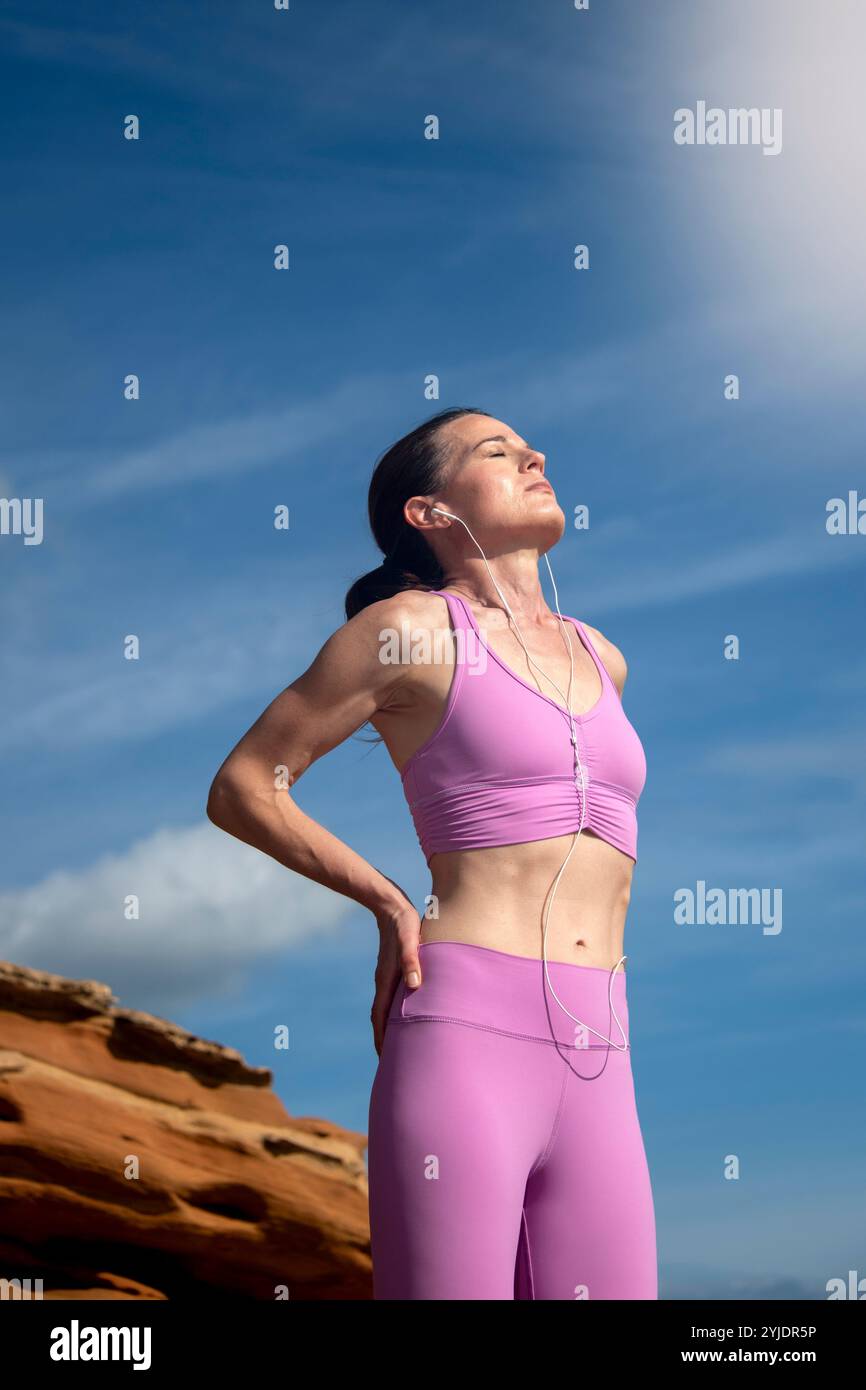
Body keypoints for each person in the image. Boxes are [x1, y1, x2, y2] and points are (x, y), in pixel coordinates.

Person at [206, 406, 658, 1300]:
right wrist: (387, 900)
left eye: (528, 448)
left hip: (605, 1050)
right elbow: (246, 785)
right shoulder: (408, 630)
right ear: (430, 511)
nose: (534, 456)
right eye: (497, 451)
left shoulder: (601, 658)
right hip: (466, 1039)